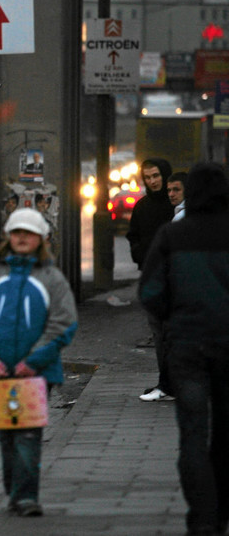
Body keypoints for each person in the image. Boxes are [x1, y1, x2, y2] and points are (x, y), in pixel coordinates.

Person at [0, 208, 79, 518]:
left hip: (36, 374)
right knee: (6, 436)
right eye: (17, 233)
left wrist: (35, 360)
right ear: (8, 237)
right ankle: (14, 491)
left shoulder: (51, 278)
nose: (22, 238)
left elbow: (63, 323)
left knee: (27, 434)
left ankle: (26, 496)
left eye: (28, 233)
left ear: (41, 238)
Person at [139, 162, 229, 536]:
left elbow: (150, 293)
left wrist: (173, 319)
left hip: (187, 347)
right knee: (225, 431)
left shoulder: (172, 236)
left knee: (192, 432)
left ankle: (202, 517)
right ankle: (222, 508)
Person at [127, 157, 175, 401]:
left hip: (174, 277)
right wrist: (140, 257)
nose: (153, 181)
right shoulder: (142, 206)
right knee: (158, 331)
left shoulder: (175, 205)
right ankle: (165, 382)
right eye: (148, 177)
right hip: (151, 276)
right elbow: (133, 235)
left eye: (156, 176)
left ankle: (173, 382)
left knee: (172, 332)